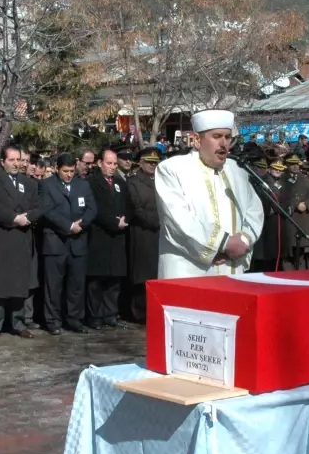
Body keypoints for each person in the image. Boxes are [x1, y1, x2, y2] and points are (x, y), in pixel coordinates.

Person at [154, 109, 264, 279]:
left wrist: (243, 241)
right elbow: (176, 220)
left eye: (227, 137)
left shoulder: (237, 170)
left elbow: (254, 210)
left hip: (232, 268)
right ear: (197, 140)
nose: (224, 143)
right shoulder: (172, 169)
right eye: (217, 136)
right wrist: (222, 244)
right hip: (190, 272)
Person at [0, 144, 41, 340]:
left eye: (19, 160)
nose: (17, 164)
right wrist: (14, 218)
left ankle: (18, 323)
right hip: (0, 236)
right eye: (12, 160)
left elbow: (37, 207)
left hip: (22, 237)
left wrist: (28, 217)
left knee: (19, 282)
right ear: (2, 161)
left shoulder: (29, 183)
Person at [39, 152, 95, 335]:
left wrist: (81, 224)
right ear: (57, 169)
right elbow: (47, 210)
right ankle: (53, 321)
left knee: (76, 285)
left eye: (72, 171)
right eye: (65, 171)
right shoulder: (47, 185)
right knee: (53, 286)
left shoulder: (83, 185)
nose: (69, 174)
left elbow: (91, 209)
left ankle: (74, 319)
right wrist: (68, 225)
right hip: (56, 242)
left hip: (78, 242)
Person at [85, 148, 129, 328]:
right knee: (96, 281)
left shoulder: (120, 182)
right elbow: (94, 209)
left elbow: (128, 204)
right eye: (109, 163)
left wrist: (126, 218)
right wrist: (112, 222)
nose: (112, 167)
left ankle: (110, 314)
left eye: (114, 164)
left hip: (118, 238)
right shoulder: (91, 183)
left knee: (114, 281)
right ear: (100, 163)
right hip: (99, 236)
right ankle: (94, 316)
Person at [125, 147, 160, 322]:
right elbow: (136, 207)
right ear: (141, 162)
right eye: (149, 162)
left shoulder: (162, 180)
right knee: (142, 274)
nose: (152, 165)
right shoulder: (133, 181)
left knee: (156, 274)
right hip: (142, 232)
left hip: (160, 233)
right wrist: (155, 221)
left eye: (155, 163)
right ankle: (139, 311)